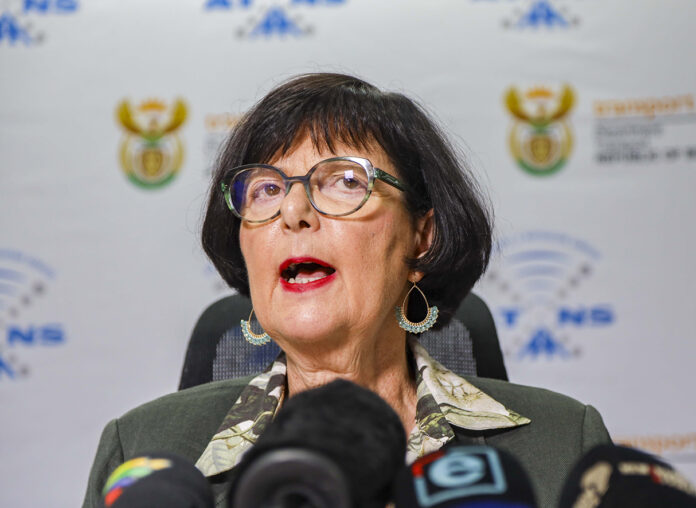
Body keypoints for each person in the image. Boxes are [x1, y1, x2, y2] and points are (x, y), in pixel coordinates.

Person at [82, 73, 610, 508]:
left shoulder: (566, 445)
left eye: (345, 181)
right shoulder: (143, 453)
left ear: (422, 237)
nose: (293, 211)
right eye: (266, 189)